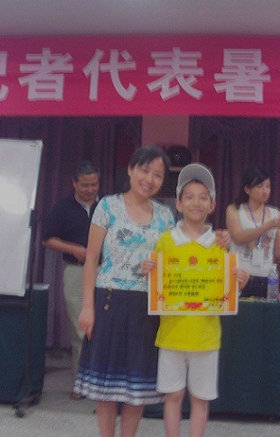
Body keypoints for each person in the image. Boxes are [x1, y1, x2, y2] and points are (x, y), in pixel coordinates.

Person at [74, 145, 176, 437]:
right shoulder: (108, 206)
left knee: (136, 387)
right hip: (109, 301)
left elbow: (172, 262)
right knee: (105, 386)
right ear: (130, 170)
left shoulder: (166, 216)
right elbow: (92, 258)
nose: (150, 179)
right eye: (144, 170)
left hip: (146, 307)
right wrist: (87, 307)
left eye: (157, 175)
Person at [144, 163, 249, 437]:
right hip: (171, 335)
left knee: (201, 400)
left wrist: (238, 282)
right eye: (189, 197)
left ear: (212, 205)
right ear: (178, 204)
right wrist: (148, 271)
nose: (196, 202)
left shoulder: (220, 244)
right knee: (173, 396)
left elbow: (226, 290)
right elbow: (157, 287)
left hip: (206, 336)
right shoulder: (166, 242)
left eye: (203, 197)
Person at [42, 160, 100, 400]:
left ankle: (101, 380)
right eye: (85, 185)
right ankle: (80, 380)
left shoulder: (106, 206)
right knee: (80, 327)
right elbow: (47, 239)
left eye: (94, 184)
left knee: (104, 327)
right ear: (74, 183)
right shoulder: (63, 207)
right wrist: (73, 249)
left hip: (104, 271)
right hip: (76, 271)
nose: (90, 189)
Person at [226, 167, 280, 297]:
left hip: (267, 277)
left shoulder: (276, 214)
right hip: (239, 276)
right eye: (259, 186)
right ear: (247, 189)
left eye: (268, 186)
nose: (265, 191)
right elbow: (238, 238)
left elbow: (279, 253)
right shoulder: (234, 210)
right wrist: (267, 226)